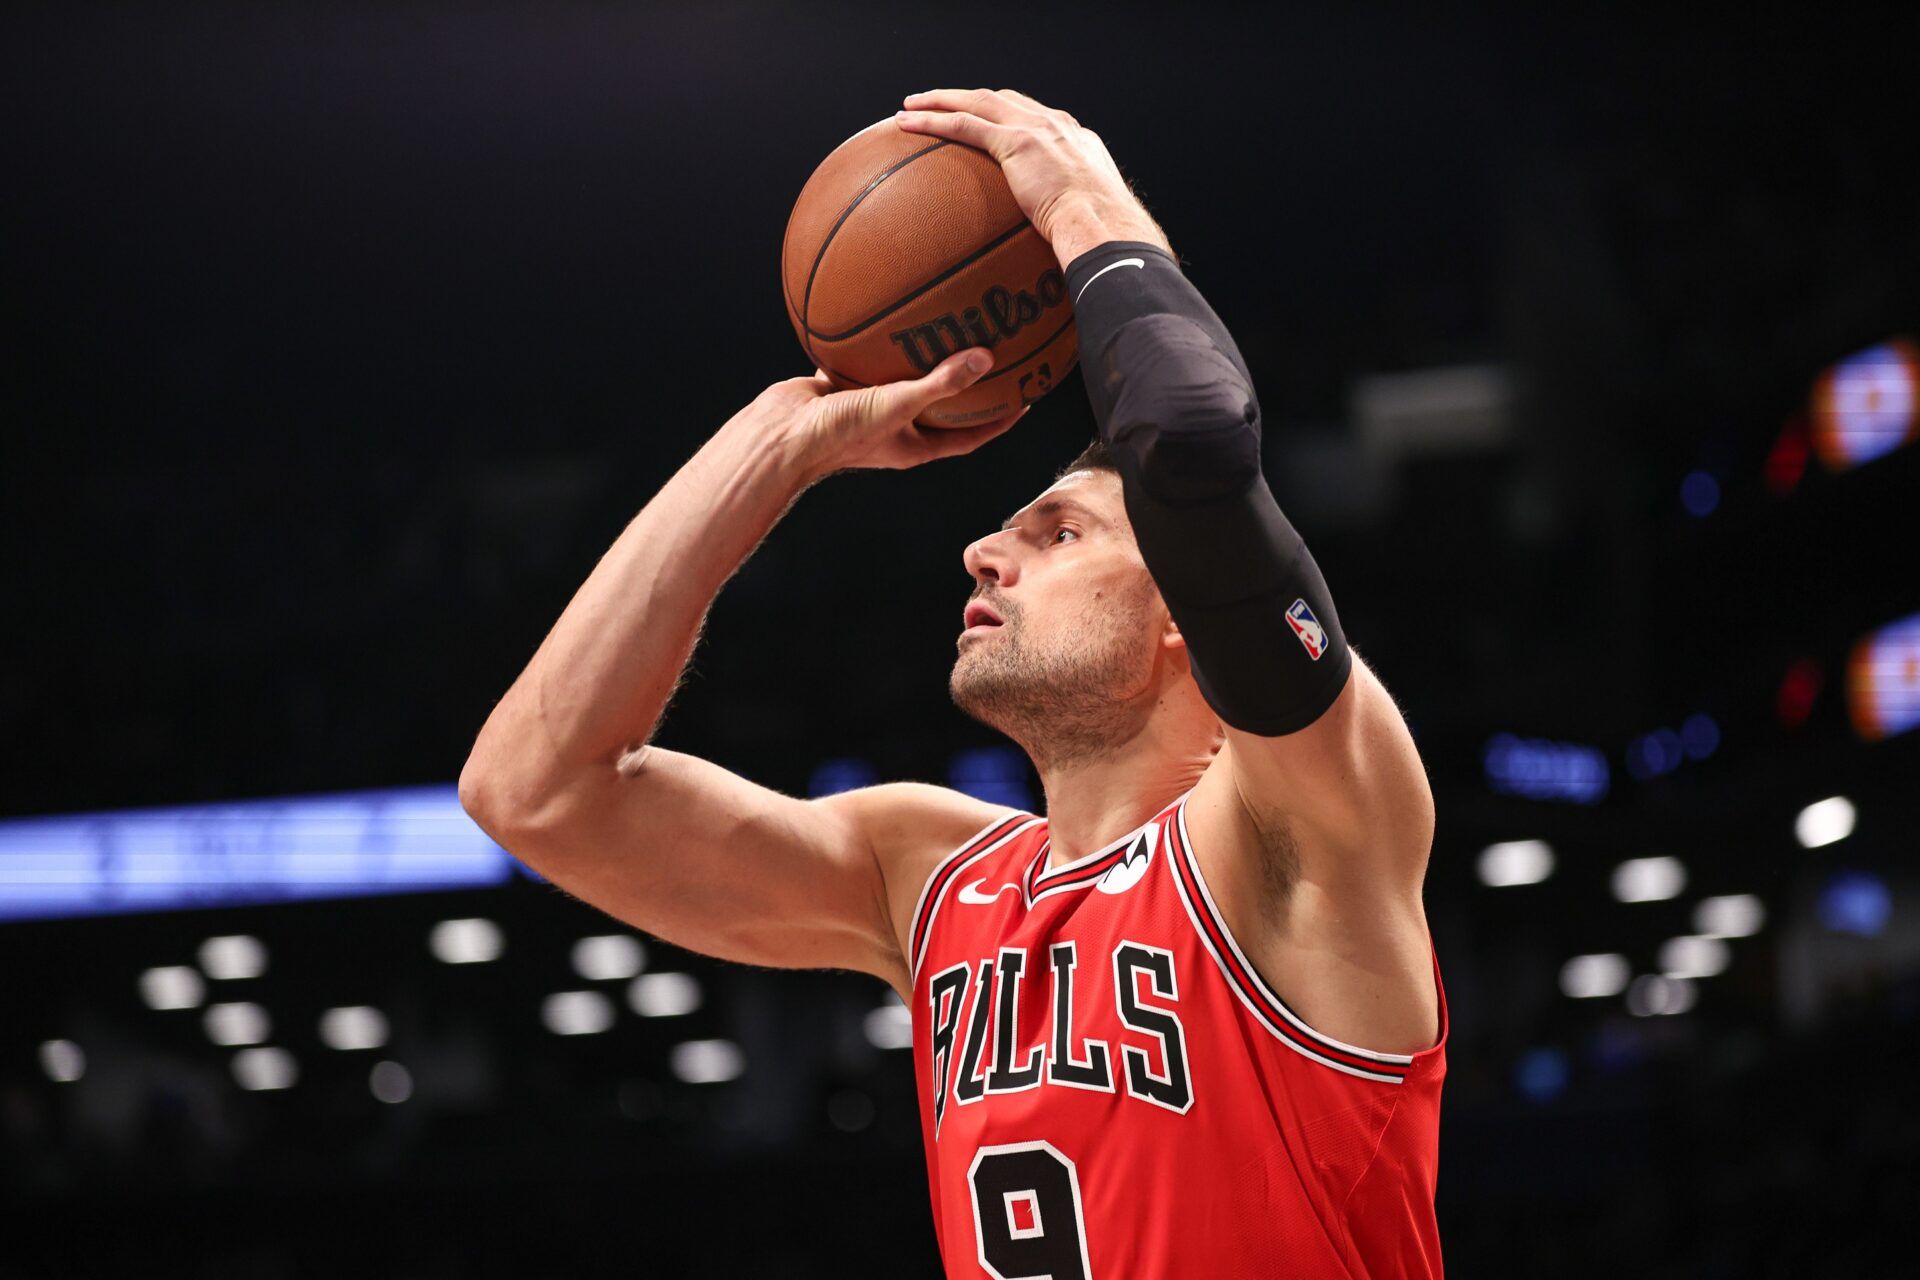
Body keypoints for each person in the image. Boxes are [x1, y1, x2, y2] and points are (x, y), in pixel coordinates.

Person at [461, 87, 1444, 1279]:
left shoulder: (1302, 821)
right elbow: (533, 789)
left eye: (1058, 533)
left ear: (1189, 610)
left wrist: (1080, 201)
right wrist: (774, 447)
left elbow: (1188, 442)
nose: (984, 550)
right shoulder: (929, 875)